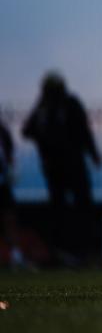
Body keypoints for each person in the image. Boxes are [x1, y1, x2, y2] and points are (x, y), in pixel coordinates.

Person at [21, 71, 100, 263]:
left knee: (74, 207)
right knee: (65, 209)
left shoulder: (56, 106)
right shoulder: (46, 108)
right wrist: (93, 154)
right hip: (61, 168)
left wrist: (92, 153)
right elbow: (27, 130)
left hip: (68, 166)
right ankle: (64, 250)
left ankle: (80, 249)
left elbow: (83, 131)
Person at [0, 114, 26, 269]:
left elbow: (10, 156)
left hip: (2, 185)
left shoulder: (3, 131)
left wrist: (10, 170)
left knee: (9, 219)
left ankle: (16, 255)